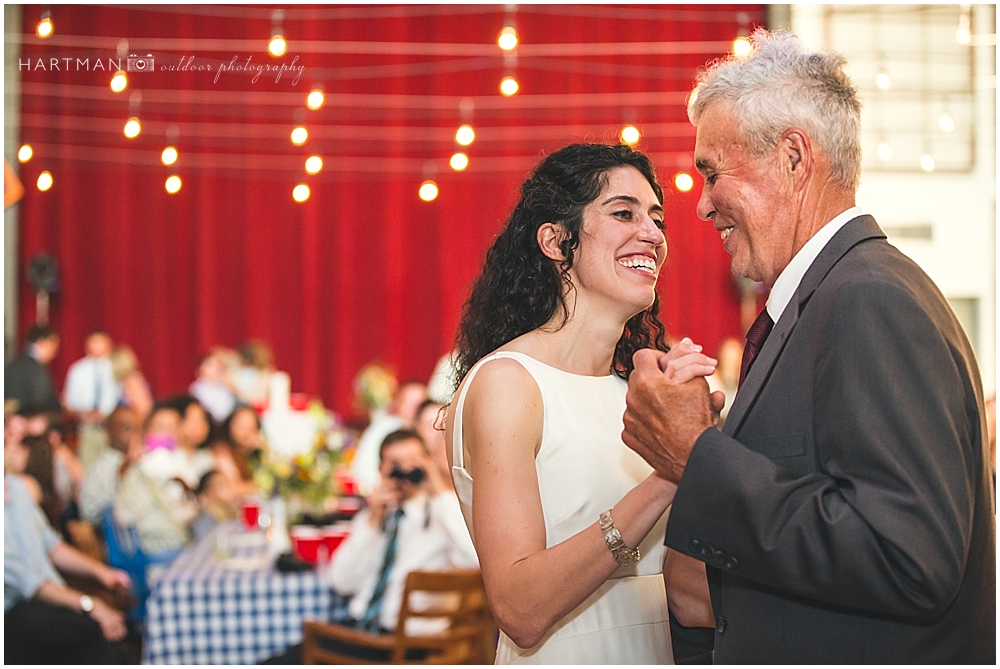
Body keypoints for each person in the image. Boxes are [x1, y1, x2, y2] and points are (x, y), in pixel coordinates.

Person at [621, 29, 995, 664]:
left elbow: (909, 557)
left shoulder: (868, 299)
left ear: (794, 157)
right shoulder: (828, 298)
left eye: (712, 174)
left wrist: (698, 457)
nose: (704, 205)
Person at [446, 143, 716, 663]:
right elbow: (520, 610)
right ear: (555, 240)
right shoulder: (509, 384)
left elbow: (687, 594)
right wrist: (671, 471)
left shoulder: (637, 394)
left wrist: (713, 454)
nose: (653, 235)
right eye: (623, 213)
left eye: (657, 219)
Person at [265, 429, 478, 663]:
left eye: (414, 463)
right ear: (381, 470)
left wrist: (437, 488)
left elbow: (474, 558)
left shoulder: (442, 515)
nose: (405, 472)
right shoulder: (378, 516)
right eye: (396, 465)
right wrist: (372, 521)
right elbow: (340, 581)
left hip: (407, 644)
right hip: (364, 631)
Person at [5, 473, 131, 663]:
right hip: (15, 611)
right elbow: (29, 583)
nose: (15, 443)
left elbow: (51, 545)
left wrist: (100, 571)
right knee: (94, 632)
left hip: (47, 599)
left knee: (105, 634)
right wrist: (89, 605)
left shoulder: (15, 486)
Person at [351, 380, 428, 495]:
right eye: (412, 404)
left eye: (422, 405)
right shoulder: (381, 430)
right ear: (398, 405)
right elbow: (362, 471)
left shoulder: (433, 431)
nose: (417, 410)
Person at [79, 406, 143, 526]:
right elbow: (91, 513)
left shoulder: (141, 462)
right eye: (127, 428)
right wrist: (125, 468)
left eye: (138, 429)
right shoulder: (102, 468)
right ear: (108, 432)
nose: (135, 435)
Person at [4, 324, 61, 415]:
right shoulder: (35, 369)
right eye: (53, 345)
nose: (54, 352)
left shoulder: (13, 364)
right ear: (42, 341)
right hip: (30, 420)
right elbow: (41, 400)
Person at [187, 469, 239, 543]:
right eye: (222, 485)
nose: (229, 489)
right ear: (209, 494)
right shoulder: (205, 521)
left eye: (228, 484)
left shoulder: (228, 512)